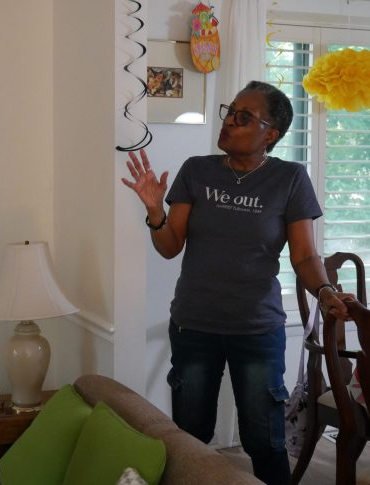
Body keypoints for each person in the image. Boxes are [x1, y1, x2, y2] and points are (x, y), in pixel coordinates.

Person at [122, 80, 354, 485]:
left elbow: (303, 254)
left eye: (243, 117)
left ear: (271, 135)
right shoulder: (197, 169)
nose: (229, 121)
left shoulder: (290, 179)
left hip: (257, 329)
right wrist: (155, 211)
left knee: (264, 442)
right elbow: (169, 246)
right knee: (189, 438)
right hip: (194, 325)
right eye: (230, 111)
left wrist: (326, 290)